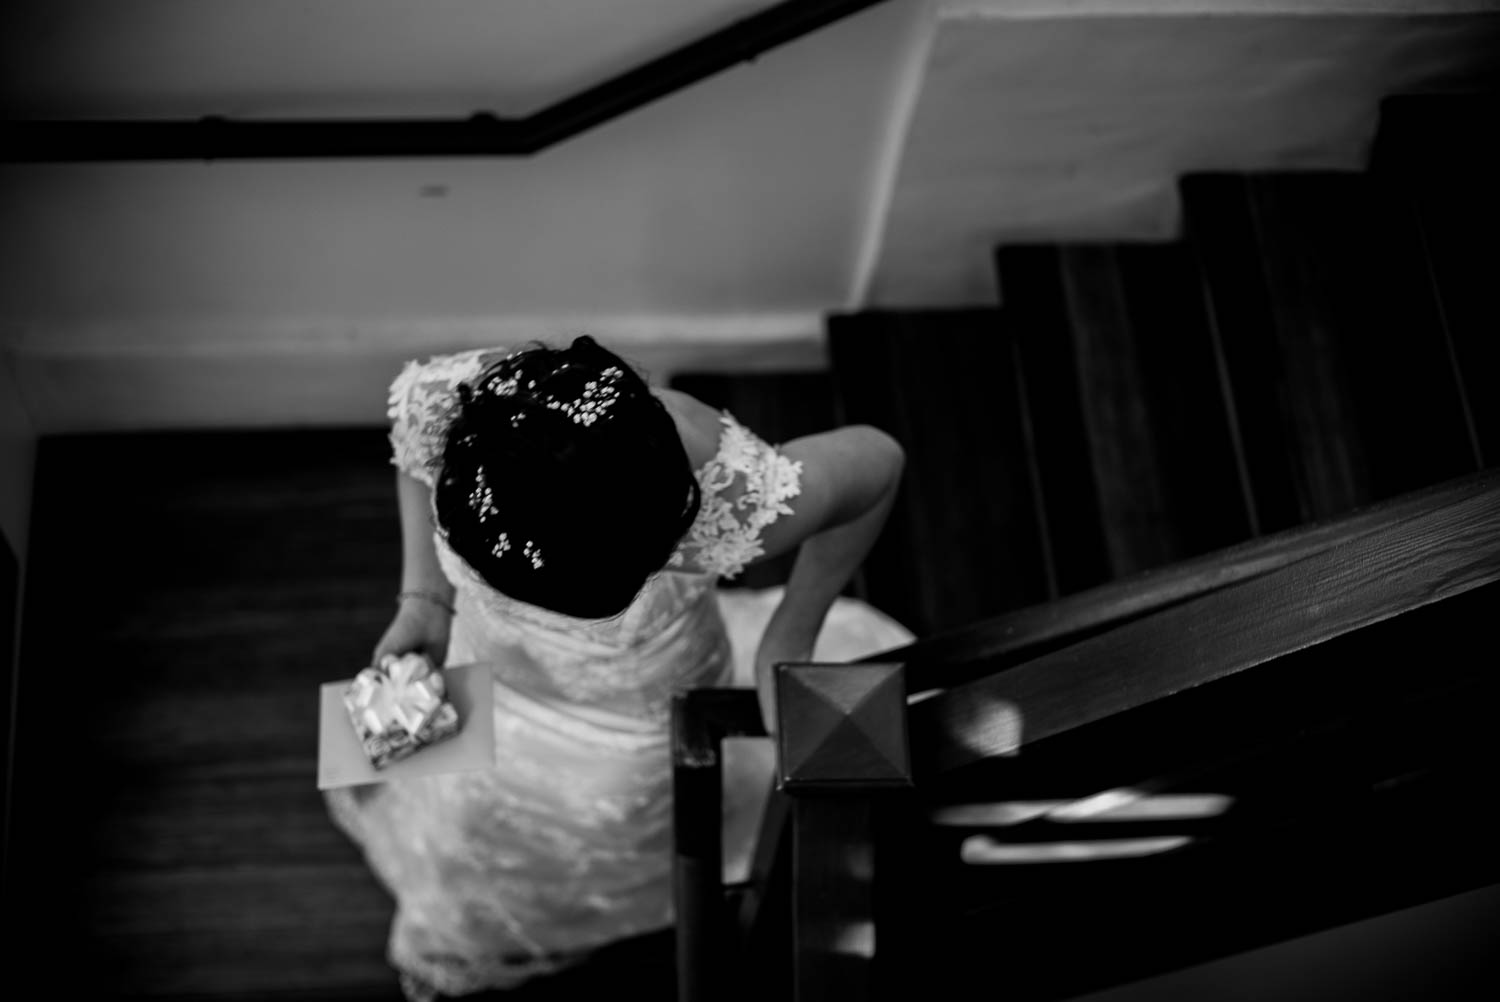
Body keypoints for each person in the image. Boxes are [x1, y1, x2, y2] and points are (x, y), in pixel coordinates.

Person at [323, 336, 913, 1000]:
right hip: (482, 669)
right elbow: (414, 434)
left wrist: (790, 636)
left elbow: (878, 463)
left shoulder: (721, 496)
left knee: (589, 838)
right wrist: (425, 601)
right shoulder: (486, 414)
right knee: (452, 810)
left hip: (635, 721)